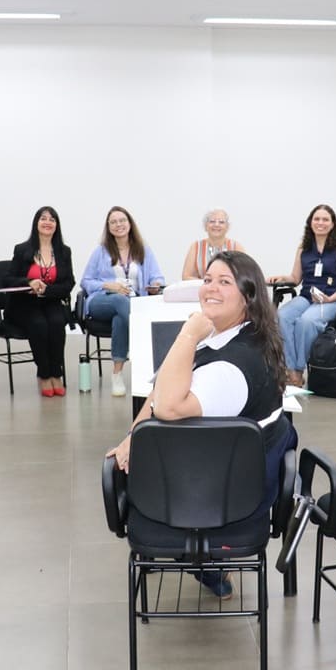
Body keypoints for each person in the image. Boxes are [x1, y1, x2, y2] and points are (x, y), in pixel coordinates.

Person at [106, 251, 295, 598]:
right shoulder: (240, 333)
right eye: (208, 280)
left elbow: (167, 405)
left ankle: (201, 560)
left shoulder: (228, 369)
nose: (211, 288)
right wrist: (132, 436)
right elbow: (162, 387)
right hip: (232, 477)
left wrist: (188, 334)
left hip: (219, 497)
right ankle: (204, 562)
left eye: (225, 282)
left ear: (248, 296)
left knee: (129, 472)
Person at [80, 206, 166, 397]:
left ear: (129, 224)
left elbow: (157, 277)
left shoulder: (143, 250)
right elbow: (86, 281)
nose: (118, 225)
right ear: (108, 227)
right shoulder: (100, 252)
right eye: (113, 222)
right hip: (102, 301)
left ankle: (117, 374)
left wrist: (156, 284)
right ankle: (146, 340)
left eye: (122, 220)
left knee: (120, 318)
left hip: (131, 303)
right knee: (120, 301)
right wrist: (108, 285)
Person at [268, 204, 336, 387]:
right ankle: (290, 368)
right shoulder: (303, 247)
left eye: (325, 219)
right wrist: (282, 277)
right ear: (310, 222)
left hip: (333, 300)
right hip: (307, 297)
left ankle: (298, 371)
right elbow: (295, 278)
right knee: (280, 316)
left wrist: (331, 298)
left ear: (333, 224)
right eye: (317, 219)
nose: (320, 223)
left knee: (306, 322)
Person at [3, 206, 75, 397]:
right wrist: (29, 282)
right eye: (43, 218)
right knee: (39, 324)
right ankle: (44, 375)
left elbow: (69, 283)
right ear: (36, 223)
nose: (47, 222)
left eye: (52, 219)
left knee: (57, 323)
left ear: (56, 225)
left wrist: (48, 290)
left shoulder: (63, 252)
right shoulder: (22, 250)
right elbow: (8, 279)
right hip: (24, 303)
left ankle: (56, 373)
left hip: (50, 300)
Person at [181, 209, 244, 280]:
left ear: (227, 227)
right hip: (202, 289)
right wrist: (207, 284)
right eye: (212, 221)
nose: (216, 225)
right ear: (205, 226)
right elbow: (186, 276)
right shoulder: (196, 247)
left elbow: (244, 275)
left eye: (221, 222)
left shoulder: (236, 247)